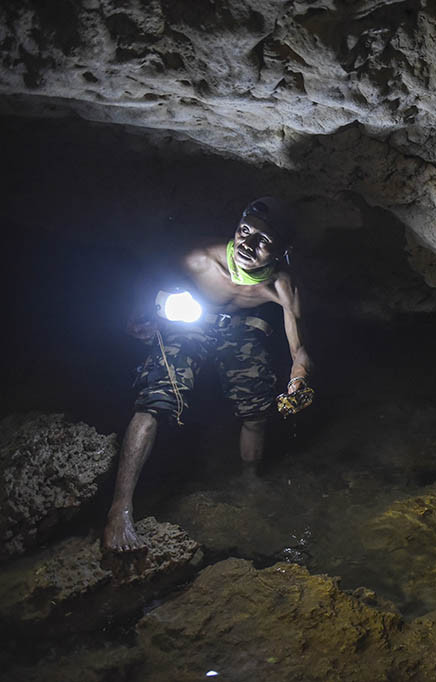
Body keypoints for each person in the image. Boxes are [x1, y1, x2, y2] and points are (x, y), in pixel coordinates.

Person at [103, 197, 313, 552]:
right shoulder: (199, 258)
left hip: (243, 328)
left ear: (282, 251)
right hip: (192, 318)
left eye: (263, 241)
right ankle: (119, 509)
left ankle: (250, 481)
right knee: (156, 398)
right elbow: (146, 285)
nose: (247, 245)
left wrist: (299, 380)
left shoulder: (282, 286)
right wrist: (141, 315)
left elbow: (300, 349)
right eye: (245, 231)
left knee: (257, 406)